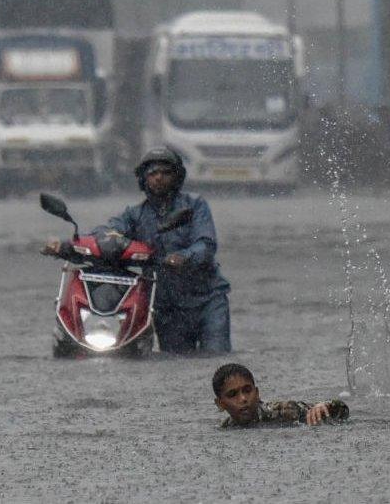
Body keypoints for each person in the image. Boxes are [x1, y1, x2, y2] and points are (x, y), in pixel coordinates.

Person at [45, 147, 232, 354]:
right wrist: (65, 247)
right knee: (177, 361)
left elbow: (206, 244)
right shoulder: (134, 215)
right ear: (144, 179)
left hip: (207, 300)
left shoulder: (195, 205)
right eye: (153, 173)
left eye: (166, 173)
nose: (159, 178)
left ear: (177, 177)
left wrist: (184, 257)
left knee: (217, 357)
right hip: (166, 306)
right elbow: (106, 235)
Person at [212, 363, 349, 428]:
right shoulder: (225, 428)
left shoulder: (281, 411)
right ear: (221, 404)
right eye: (233, 394)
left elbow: (342, 410)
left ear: (257, 393)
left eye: (247, 390)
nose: (243, 399)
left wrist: (326, 406)